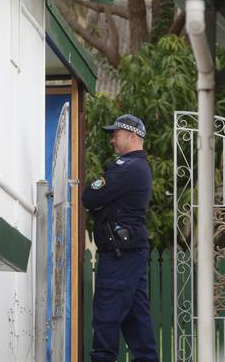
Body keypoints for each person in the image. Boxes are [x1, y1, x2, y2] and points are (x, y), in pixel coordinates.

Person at [82, 114, 159, 362]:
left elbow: (90, 198)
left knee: (106, 317)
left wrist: (100, 204)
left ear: (132, 136)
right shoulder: (136, 168)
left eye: (115, 134)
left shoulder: (127, 168)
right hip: (129, 252)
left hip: (119, 256)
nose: (112, 140)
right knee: (137, 323)